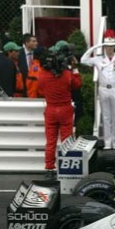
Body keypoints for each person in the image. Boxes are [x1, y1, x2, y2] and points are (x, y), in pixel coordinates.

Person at [80, 30, 115, 150]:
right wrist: (96, 46)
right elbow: (83, 59)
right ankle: (107, 144)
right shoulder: (98, 59)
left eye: (111, 46)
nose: (109, 49)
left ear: (114, 47)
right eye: (107, 46)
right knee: (106, 118)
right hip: (103, 89)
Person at [38, 47, 82, 177]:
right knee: (66, 140)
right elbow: (77, 84)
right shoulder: (67, 75)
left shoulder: (42, 75)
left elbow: (40, 90)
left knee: (51, 141)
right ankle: (66, 167)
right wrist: (74, 68)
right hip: (65, 109)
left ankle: (49, 168)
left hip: (51, 109)